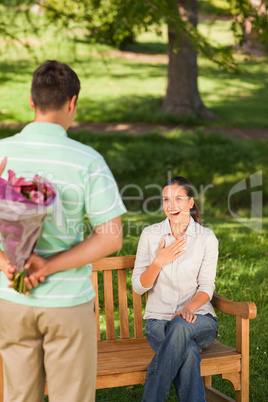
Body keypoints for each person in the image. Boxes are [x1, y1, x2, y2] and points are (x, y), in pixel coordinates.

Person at [0, 60, 126, 402]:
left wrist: (7, 263)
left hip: (12, 298)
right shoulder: (87, 160)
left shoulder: (2, 153)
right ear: (72, 103)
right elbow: (111, 236)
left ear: (31, 101)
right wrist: (50, 266)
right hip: (67, 304)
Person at [132, 176, 219, 402]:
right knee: (188, 352)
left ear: (191, 203)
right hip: (159, 323)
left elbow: (207, 286)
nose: (171, 205)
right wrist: (158, 261)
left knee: (181, 323)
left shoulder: (206, 238)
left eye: (179, 198)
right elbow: (139, 287)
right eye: (166, 199)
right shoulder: (150, 235)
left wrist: (188, 309)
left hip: (201, 321)